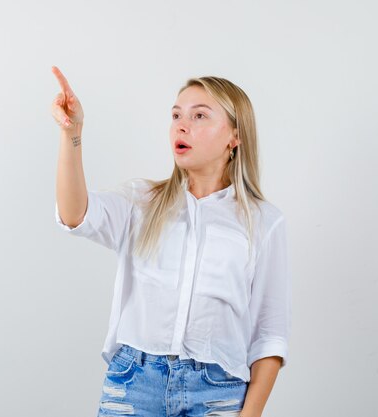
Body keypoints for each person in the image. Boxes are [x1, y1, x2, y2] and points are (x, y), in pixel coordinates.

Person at [51, 65, 291, 417]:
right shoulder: (142, 201)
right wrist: (72, 135)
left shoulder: (264, 222)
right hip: (134, 384)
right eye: (176, 115)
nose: (181, 125)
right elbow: (75, 215)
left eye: (199, 116)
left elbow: (269, 336)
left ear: (234, 137)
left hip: (217, 394)